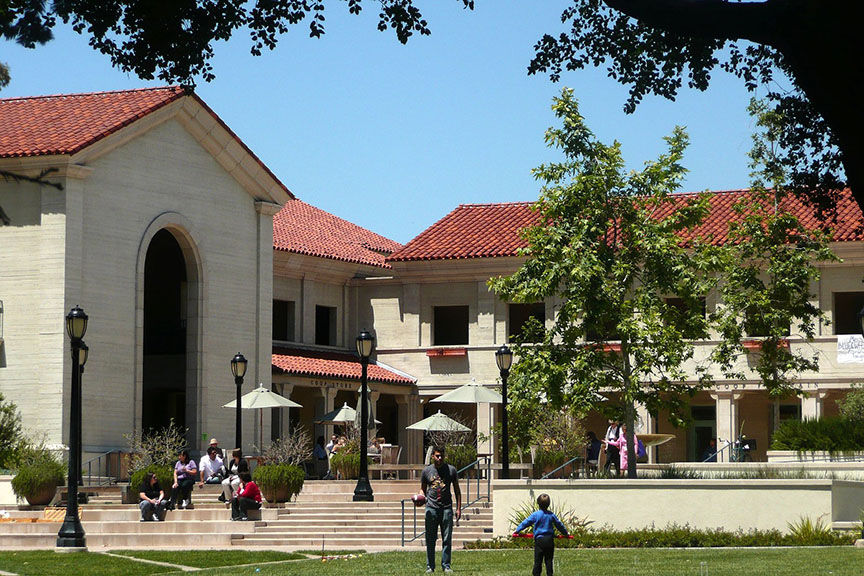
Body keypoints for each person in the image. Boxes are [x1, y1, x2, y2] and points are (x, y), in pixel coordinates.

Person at [420, 445, 462, 574]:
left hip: (446, 508)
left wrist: (458, 508)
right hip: (431, 508)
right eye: (437, 456)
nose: (439, 458)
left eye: (441, 456)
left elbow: (457, 490)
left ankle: (446, 565)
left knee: (447, 538)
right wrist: (420, 498)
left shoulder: (451, 470)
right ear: (432, 456)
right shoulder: (426, 472)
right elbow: (423, 489)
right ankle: (430, 566)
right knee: (430, 539)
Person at [513, 493, 570, 576]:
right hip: (549, 540)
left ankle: (536, 574)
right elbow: (559, 525)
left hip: (539, 540)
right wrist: (565, 533)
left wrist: (517, 530)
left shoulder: (536, 515)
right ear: (549, 504)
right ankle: (549, 574)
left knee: (538, 560)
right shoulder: (551, 515)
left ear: (538, 504)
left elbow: (526, 522)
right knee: (549, 560)